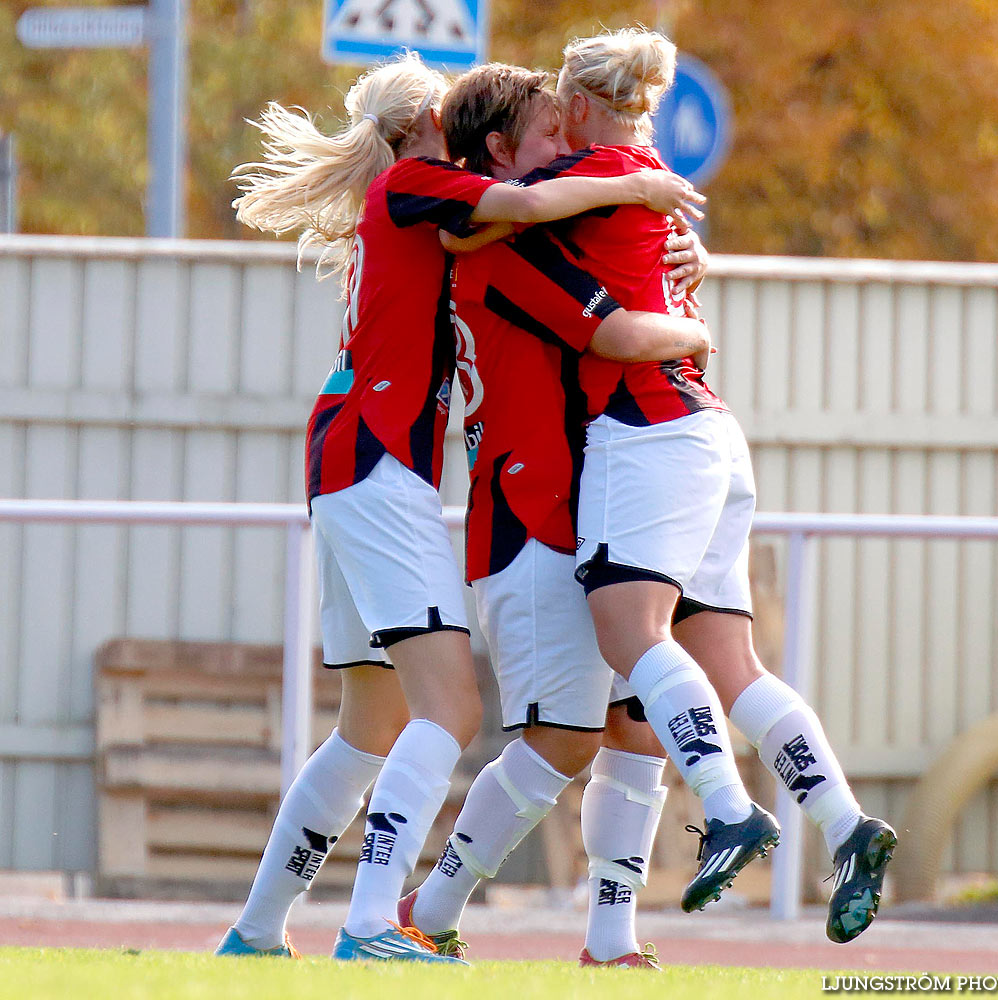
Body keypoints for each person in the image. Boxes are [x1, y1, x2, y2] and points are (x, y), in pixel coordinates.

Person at [214, 51, 708, 964]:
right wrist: (641, 186)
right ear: (428, 127)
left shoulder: (426, 206)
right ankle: (369, 926)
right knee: (447, 708)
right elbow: (525, 204)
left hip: (350, 460)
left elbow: (510, 226)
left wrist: (666, 235)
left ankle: (255, 930)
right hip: (376, 462)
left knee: (369, 727)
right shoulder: (418, 181)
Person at [537, 27, 896, 942]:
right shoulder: (651, 187)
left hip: (646, 432)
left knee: (630, 635)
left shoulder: (580, 188)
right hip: (711, 434)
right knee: (731, 667)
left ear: (579, 106)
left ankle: (729, 808)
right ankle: (848, 826)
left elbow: (491, 210)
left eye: (552, 111)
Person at [394, 63, 712, 968]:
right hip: (528, 516)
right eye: (549, 139)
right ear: (498, 154)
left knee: (634, 727)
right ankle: (428, 903)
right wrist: (694, 327)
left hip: (587, 512)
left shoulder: (536, 223)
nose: (571, 154)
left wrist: (689, 259)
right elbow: (613, 332)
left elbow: (625, 279)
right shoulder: (499, 240)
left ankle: (610, 940)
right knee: (564, 736)